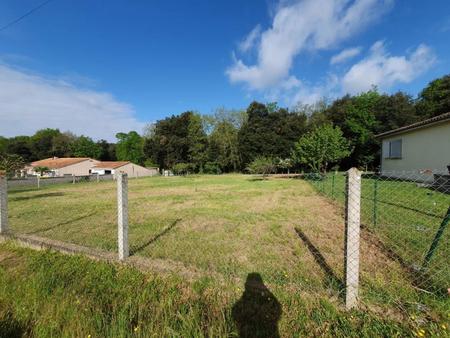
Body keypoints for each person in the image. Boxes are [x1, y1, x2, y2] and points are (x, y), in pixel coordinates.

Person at [232, 273, 282, 338]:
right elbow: (277, 309)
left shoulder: (244, 300)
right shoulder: (266, 300)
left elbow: (235, 313)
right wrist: (269, 294)